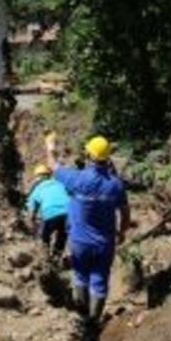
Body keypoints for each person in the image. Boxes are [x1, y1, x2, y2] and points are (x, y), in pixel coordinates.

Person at [45, 134, 130, 323]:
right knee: (99, 281)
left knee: (80, 276)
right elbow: (125, 213)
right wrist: (122, 232)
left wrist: (50, 146)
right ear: (108, 157)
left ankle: (82, 318)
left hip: (79, 241)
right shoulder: (116, 185)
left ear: (88, 155)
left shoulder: (78, 179)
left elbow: (52, 166)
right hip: (105, 243)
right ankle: (93, 322)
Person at [25, 164, 70, 257]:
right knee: (62, 234)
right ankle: (57, 255)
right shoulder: (59, 183)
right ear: (49, 175)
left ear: (37, 177)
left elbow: (32, 209)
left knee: (45, 236)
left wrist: (31, 222)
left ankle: (46, 257)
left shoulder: (37, 189)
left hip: (50, 214)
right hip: (67, 213)